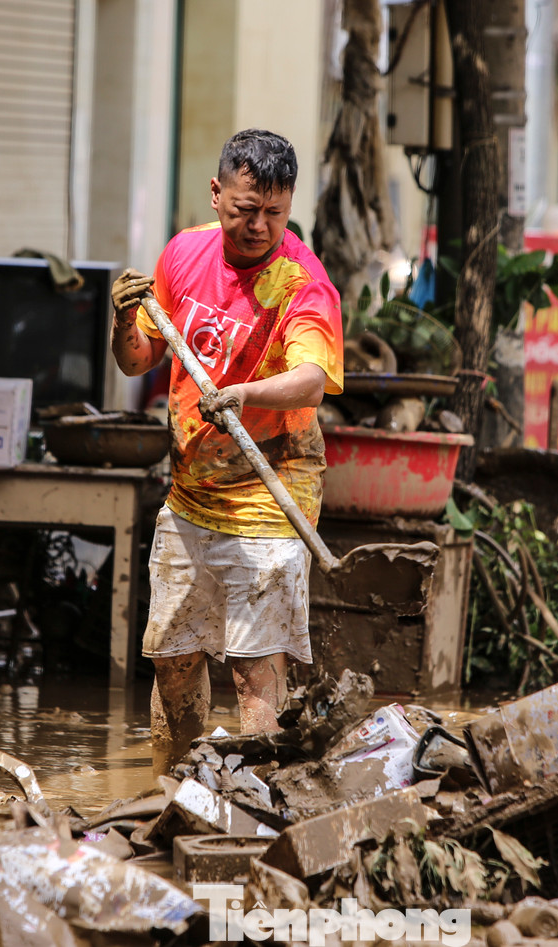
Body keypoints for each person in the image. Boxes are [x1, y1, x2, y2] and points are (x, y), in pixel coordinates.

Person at [109, 129, 344, 776]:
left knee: (252, 672)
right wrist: (123, 318)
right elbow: (137, 361)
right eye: (246, 209)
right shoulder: (182, 257)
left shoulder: (302, 281)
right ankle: (172, 800)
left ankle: (252, 818)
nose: (260, 226)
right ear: (217, 195)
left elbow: (311, 381)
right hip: (190, 495)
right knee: (173, 661)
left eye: (275, 211)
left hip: (273, 490)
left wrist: (243, 393)